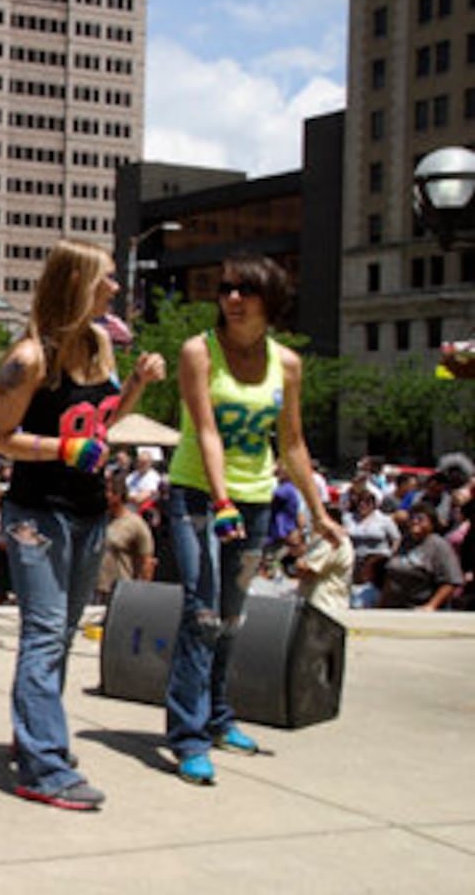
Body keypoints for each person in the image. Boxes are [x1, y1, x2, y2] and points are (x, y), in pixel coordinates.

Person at [0, 239, 165, 810]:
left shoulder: (98, 344)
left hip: (89, 511)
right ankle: (43, 766)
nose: (115, 287)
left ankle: (36, 737)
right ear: (78, 283)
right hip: (37, 515)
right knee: (43, 634)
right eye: (106, 278)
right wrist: (63, 450)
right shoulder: (30, 358)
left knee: (60, 635)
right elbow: (0, 437)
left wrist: (136, 384)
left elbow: (102, 426)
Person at [163, 253, 343, 787]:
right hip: (198, 495)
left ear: (270, 299)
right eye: (225, 289)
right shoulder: (199, 352)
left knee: (232, 616)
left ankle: (219, 717)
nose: (232, 298)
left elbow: (291, 442)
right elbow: (208, 431)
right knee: (202, 612)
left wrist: (319, 511)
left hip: (257, 498)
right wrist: (220, 501)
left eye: (245, 290)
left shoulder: (286, 363)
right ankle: (188, 736)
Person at [379, 504, 461, 610]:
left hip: (420, 608)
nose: (415, 521)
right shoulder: (404, 542)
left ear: (432, 523)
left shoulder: (438, 545)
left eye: (420, 519)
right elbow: (391, 575)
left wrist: (432, 605)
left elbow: (450, 582)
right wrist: (381, 604)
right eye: (412, 518)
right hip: (394, 606)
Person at [97, 471, 155, 602]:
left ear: (121, 495)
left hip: (119, 591)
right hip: (92, 589)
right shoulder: (98, 520)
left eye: (112, 492)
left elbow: (147, 561)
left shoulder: (135, 524)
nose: (107, 496)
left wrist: (140, 594)